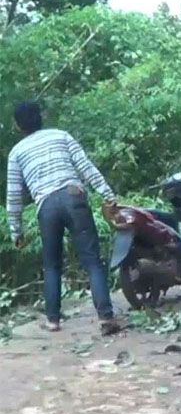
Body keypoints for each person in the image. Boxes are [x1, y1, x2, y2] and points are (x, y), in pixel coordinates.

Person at [6, 101, 120, 335]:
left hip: (46, 206)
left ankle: (53, 320)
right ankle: (106, 316)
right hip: (73, 196)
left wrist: (16, 231)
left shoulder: (16, 153)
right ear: (40, 117)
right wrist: (107, 194)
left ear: (18, 126)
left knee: (51, 265)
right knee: (91, 260)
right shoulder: (61, 135)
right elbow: (85, 167)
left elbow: (14, 196)